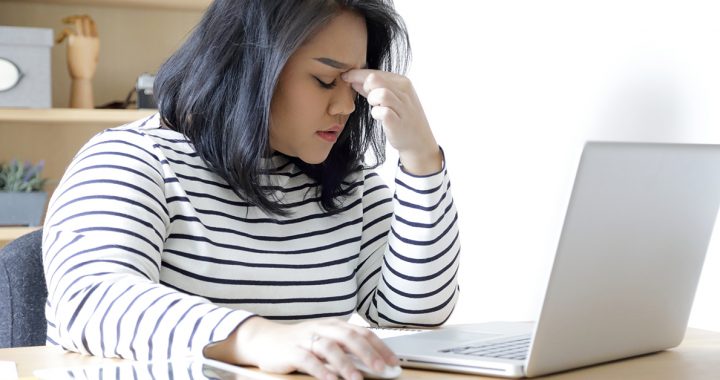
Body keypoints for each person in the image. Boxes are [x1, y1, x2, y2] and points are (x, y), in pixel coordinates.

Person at [42, 1, 460, 379]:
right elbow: (89, 301)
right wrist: (256, 338)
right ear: (246, 66)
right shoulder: (133, 158)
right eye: (324, 80)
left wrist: (421, 158)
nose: (347, 107)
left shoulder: (351, 186)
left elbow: (414, 314)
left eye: (353, 85)